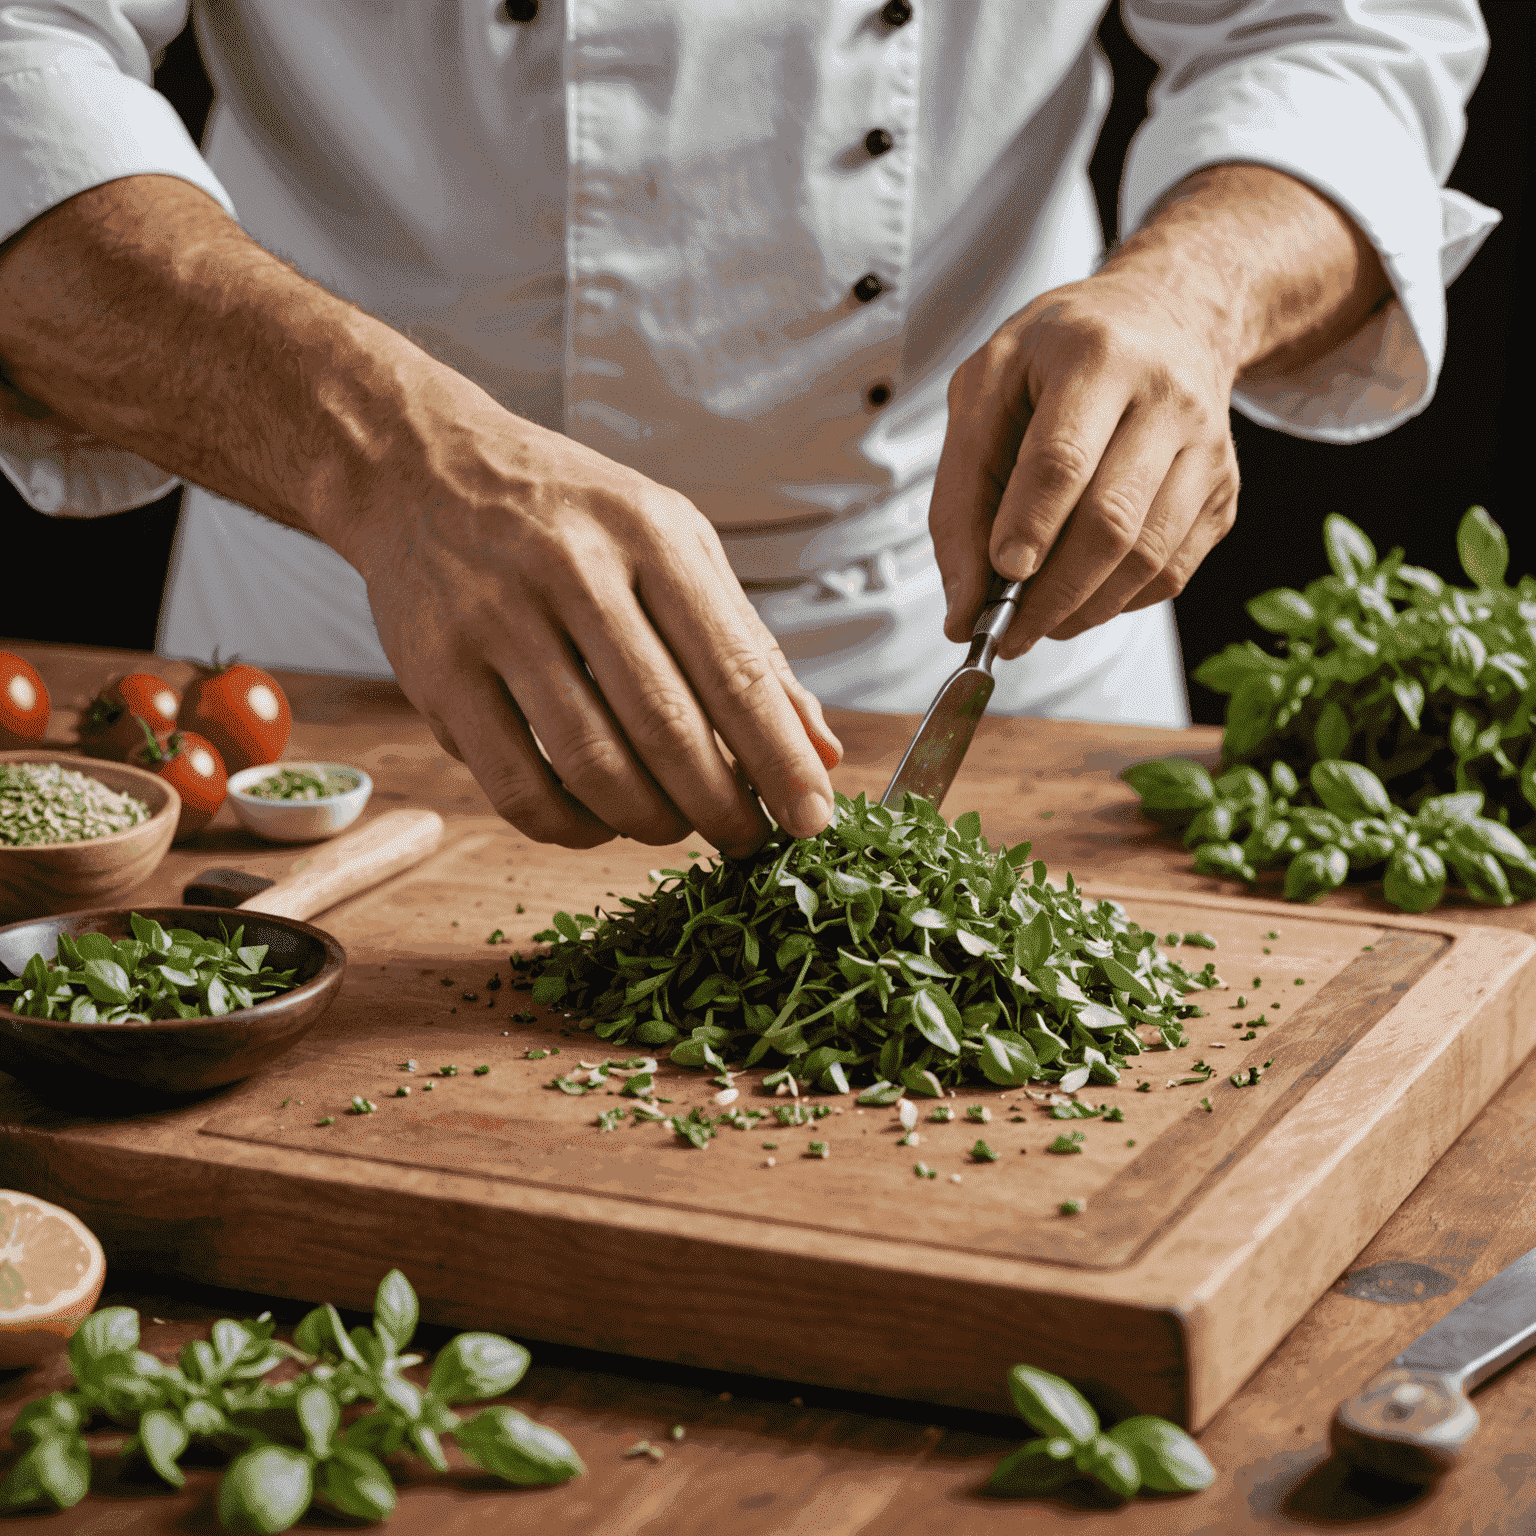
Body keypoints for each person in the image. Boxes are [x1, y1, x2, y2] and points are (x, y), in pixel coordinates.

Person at [0, 1, 1498, 856]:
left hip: (980, 617)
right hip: (358, 601)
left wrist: (1194, 296)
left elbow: (1341, 29)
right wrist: (389, 458)